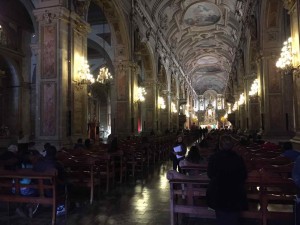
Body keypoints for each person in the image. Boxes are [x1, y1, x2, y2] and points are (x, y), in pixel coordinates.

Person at [206, 135, 248, 225]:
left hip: (218, 194)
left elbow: (210, 174)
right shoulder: (238, 158)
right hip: (235, 194)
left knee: (221, 218)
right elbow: (244, 176)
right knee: (234, 218)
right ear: (232, 146)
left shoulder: (214, 157)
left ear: (220, 146)